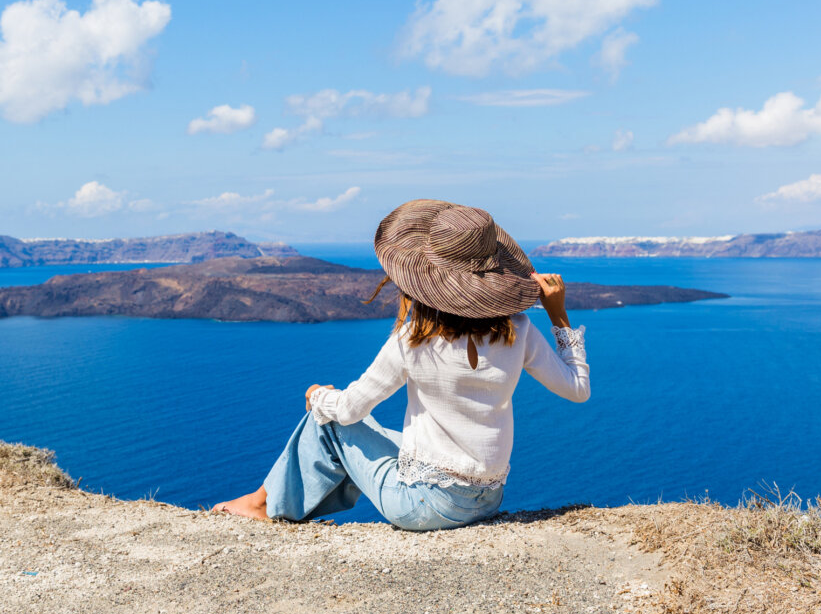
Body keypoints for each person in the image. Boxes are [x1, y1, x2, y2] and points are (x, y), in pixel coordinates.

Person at [213, 199, 590, 530]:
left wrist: (317, 397)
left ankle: (262, 503)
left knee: (324, 422)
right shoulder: (518, 329)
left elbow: (348, 410)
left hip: (425, 507)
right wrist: (558, 316)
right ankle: (268, 501)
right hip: (488, 500)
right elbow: (577, 390)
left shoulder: (414, 338)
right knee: (376, 432)